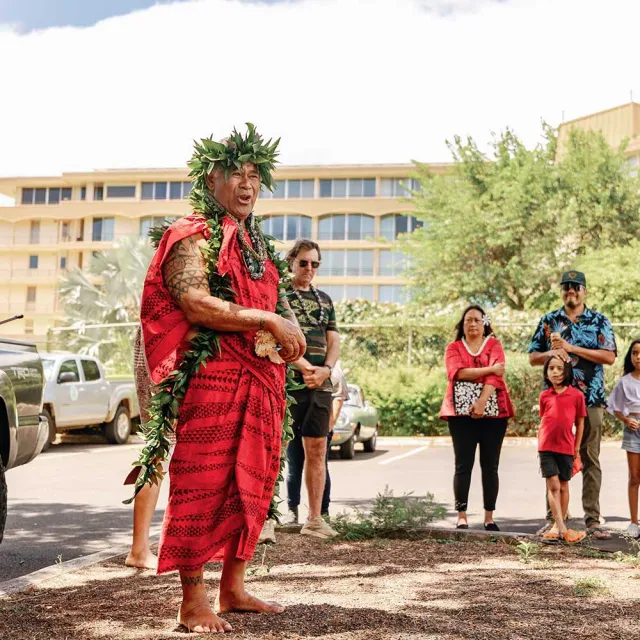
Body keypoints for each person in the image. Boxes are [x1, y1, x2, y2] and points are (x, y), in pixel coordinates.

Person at [138, 126, 306, 634]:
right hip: (211, 379)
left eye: (255, 176)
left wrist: (296, 358)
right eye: (237, 174)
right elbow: (194, 302)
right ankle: (193, 601)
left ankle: (232, 589)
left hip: (262, 380)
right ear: (212, 179)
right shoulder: (192, 234)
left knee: (255, 480)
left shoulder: (255, 244)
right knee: (203, 482)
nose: (248, 184)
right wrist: (267, 320)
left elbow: (269, 314)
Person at [529, 271, 616, 540]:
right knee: (553, 458)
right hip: (555, 401)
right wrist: (552, 352)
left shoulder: (599, 320)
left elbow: (609, 356)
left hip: (590, 398)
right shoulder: (548, 321)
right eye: (566, 287)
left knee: (589, 457)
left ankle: (592, 520)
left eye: (576, 287)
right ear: (561, 291)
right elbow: (533, 357)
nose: (571, 291)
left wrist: (571, 347)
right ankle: (554, 521)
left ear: (584, 291)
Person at [283, 239, 340, 539]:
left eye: (315, 264)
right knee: (274, 451)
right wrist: (304, 367)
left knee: (317, 450)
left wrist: (325, 370)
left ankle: (314, 519)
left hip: (320, 384)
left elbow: (333, 340)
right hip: (288, 382)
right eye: (304, 262)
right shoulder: (279, 296)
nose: (309, 268)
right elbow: (277, 339)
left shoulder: (326, 300)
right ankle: (266, 520)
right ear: (291, 261)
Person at [440, 305, 514, 531]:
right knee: (463, 465)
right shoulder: (453, 348)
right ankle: (461, 515)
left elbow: (497, 377)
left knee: (490, 466)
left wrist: (481, 402)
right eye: (467, 320)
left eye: (477, 320)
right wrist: (488, 369)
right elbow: (456, 373)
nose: (472, 324)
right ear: (462, 325)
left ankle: (489, 516)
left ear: (485, 324)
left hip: (495, 415)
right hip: (460, 416)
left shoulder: (495, 345)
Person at [124, 325, 166, 570]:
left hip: (160, 343)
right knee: (160, 446)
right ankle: (139, 549)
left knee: (160, 447)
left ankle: (141, 548)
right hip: (165, 347)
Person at [538, 356, 587, 544]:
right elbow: (545, 419)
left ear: (567, 372)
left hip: (566, 447)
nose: (555, 372)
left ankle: (558, 527)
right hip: (546, 447)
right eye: (551, 368)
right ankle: (562, 528)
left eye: (560, 368)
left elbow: (580, 423)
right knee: (553, 486)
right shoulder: (544, 395)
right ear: (546, 372)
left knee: (564, 485)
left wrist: (576, 447)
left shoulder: (576, 395)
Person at [606, 339, 640, 539]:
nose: (638, 357)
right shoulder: (625, 381)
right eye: (635, 353)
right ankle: (634, 522)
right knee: (635, 477)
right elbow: (613, 407)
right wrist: (627, 420)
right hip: (633, 429)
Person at [322, 362, 349, 518]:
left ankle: (323, 512)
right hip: (305, 426)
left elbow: (338, 402)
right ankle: (293, 510)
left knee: (320, 468)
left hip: (322, 428)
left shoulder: (335, 374)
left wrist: (326, 430)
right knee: (295, 469)